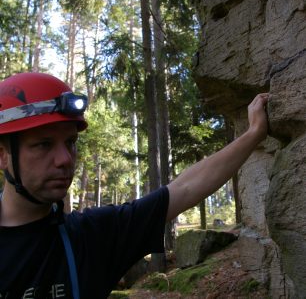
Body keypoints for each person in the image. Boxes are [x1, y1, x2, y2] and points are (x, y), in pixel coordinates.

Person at [0, 72, 268, 299]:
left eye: (70, 143)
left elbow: (184, 189)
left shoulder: (92, 237)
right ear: (3, 155)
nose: (65, 160)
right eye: (44, 144)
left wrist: (253, 134)